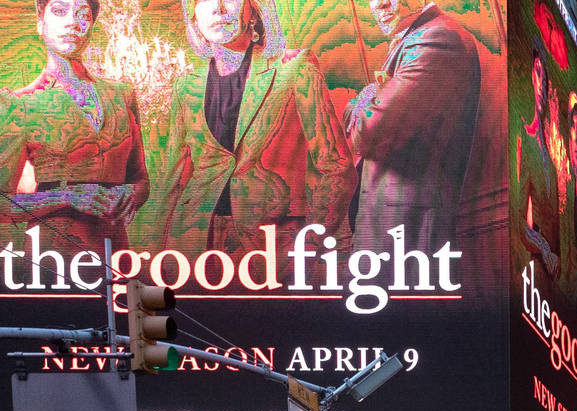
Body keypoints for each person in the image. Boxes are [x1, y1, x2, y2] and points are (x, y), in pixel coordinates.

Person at [137, 0, 353, 258]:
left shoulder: (295, 66)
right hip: (190, 243)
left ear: (254, 10)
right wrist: (151, 255)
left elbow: (335, 166)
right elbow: (171, 178)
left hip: (273, 243)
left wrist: (311, 242)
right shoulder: (186, 86)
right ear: (193, 16)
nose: (218, 8)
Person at [1, 0, 149, 255]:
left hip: (116, 249)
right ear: (40, 23)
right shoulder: (20, 104)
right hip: (53, 254)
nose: (72, 22)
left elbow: (141, 180)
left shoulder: (121, 94)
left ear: (91, 26)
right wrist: (66, 197)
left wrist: (131, 194)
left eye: (83, 15)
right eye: (60, 11)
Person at [345, 0, 482, 257]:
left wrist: (362, 101)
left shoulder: (437, 38)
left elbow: (366, 134)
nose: (379, 5)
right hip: (394, 239)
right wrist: (367, 98)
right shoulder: (418, 38)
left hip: (409, 241)